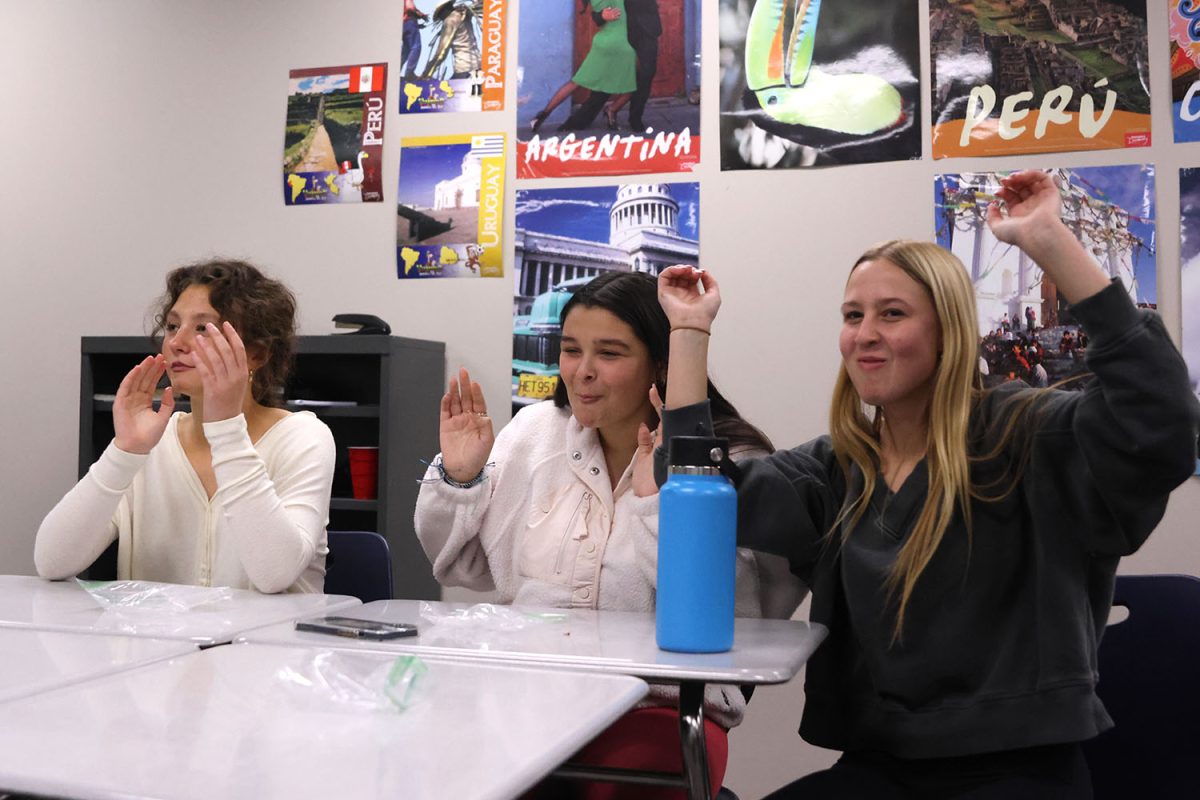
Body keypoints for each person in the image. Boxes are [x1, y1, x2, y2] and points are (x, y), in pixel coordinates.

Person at [654, 170, 1199, 798]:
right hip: (880, 770)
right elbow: (700, 493)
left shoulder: (1025, 436)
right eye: (853, 315)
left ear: (947, 334)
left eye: (892, 314)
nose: (865, 334)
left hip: (1017, 773)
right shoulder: (842, 469)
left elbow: (1157, 423)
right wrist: (689, 332)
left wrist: (1048, 241)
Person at [415, 270, 803, 798]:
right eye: (571, 350)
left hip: (659, 705)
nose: (583, 373)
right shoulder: (535, 433)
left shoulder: (724, 463)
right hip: (528, 691)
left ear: (660, 364)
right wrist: (463, 479)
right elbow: (465, 567)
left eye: (611, 354)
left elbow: (723, 621)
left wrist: (651, 502)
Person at [35, 260, 336, 593]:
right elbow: (51, 561)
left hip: (267, 645)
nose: (177, 342)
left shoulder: (304, 438)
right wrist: (124, 453)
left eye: (203, 328)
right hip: (158, 645)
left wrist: (226, 429)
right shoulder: (154, 441)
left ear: (257, 355)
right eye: (173, 326)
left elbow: (273, 574)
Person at [529, 0, 637, 134]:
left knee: (575, 82)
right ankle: (612, 110)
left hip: (603, 42)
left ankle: (542, 116)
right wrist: (602, 16)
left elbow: (598, 14)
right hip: (621, 45)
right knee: (631, 87)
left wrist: (601, 16)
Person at [562, 0, 662, 133]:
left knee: (646, 73)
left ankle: (634, 118)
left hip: (646, 30)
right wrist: (601, 16)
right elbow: (597, 9)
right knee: (610, 75)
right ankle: (580, 119)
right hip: (620, 32)